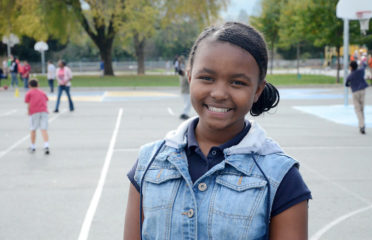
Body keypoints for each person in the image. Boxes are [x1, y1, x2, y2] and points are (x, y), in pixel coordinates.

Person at [124, 22, 311, 240]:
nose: (220, 93)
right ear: (189, 76)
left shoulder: (281, 177)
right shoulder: (148, 164)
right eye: (207, 78)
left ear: (257, 90)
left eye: (237, 82)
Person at [24, 79, 50, 154]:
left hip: (34, 112)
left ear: (29, 85)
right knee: (44, 129)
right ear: (38, 85)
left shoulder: (29, 93)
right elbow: (46, 100)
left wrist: (28, 111)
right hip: (44, 111)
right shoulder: (42, 92)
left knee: (33, 129)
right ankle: (46, 145)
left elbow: (28, 103)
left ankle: (33, 146)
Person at [346, 61, 368, 134]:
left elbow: (346, 84)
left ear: (351, 67)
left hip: (355, 92)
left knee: (357, 109)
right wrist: (361, 61)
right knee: (362, 108)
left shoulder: (350, 75)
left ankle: (361, 125)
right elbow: (364, 65)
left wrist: (351, 85)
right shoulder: (360, 71)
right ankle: (362, 124)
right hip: (362, 90)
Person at [176, 55, 191, 120]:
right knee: (188, 103)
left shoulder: (181, 75)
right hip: (186, 91)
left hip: (184, 91)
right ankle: (184, 114)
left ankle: (185, 113)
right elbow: (188, 81)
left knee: (186, 103)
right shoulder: (184, 75)